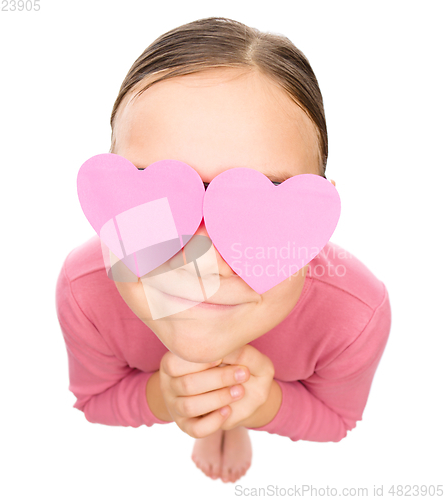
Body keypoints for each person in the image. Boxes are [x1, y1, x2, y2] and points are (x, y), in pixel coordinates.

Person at [55, 17, 391, 484]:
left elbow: (337, 420)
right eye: (157, 199)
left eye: (260, 202)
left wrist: (260, 404)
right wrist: (164, 397)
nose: (204, 257)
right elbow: (95, 400)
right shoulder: (87, 287)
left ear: (319, 216)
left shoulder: (353, 312)